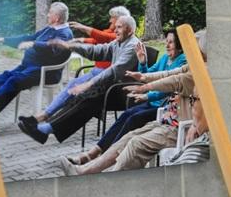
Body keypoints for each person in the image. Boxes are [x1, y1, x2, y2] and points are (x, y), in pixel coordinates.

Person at [64, 29, 185, 166]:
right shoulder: (165, 58)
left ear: (180, 45)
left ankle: (103, 156)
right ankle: (94, 152)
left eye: (171, 42)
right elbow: (146, 76)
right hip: (152, 102)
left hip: (164, 107)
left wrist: (146, 96)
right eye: (166, 42)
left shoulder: (183, 62)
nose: (167, 45)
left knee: (133, 118)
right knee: (127, 114)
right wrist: (143, 62)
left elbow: (169, 88)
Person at [18, 15, 140, 144]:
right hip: (115, 87)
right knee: (82, 94)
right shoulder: (119, 42)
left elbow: (114, 70)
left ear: (130, 30)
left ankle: (45, 129)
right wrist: (70, 46)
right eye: (115, 27)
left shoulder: (132, 46)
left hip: (126, 92)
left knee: (89, 97)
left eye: (119, 27)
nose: (115, 30)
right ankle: (45, 128)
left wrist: (89, 83)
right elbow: (97, 51)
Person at [0, 1, 73, 118]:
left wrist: (34, 44)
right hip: (29, 67)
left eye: (50, 13)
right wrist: (3, 39)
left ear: (56, 17)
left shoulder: (65, 33)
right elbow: (29, 38)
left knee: (13, 81)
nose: (48, 15)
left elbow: (53, 48)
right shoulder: (49, 28)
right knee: (6, 76)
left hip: (45, 72)